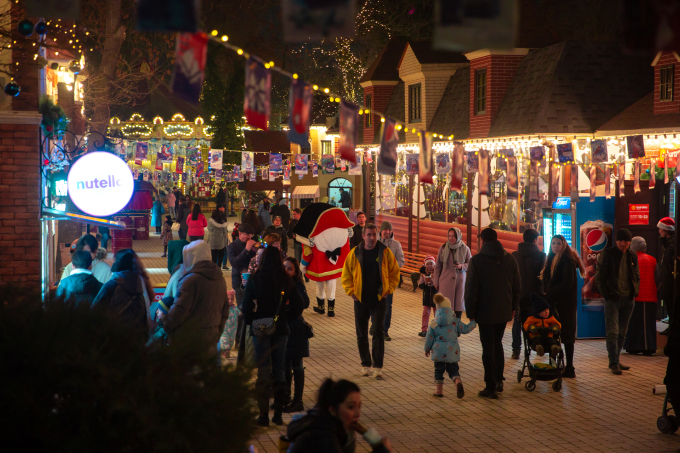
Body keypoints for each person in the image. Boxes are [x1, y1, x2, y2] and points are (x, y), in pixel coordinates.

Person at [242, 246, 304, 426]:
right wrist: (285, 319)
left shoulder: (256, 278)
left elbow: (246, 306)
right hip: (281, 330)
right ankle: (278, 414)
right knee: (279, 370)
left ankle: (262, 416)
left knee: (263, 372)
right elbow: (299, 305)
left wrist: (252, 320)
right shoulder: (286, 280)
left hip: (261, 328)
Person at [464, 228, 520, 399]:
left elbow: (471, 288)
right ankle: (499, 380)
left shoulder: (477, 261)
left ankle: (491, 385)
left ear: (482, 241)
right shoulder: (509, 259)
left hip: (484, 311)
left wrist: (471, 312)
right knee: (498, 344)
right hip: (503, 311)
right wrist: (513, 307)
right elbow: (517, 285)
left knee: (488, 347)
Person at [341, 223, 400, 380]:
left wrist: (389, 289)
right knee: (361, 333)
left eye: (374, 235)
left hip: (379, 299)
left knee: (378, 331)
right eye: (369, 235)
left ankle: (378, 366)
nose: (372, 238)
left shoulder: (384, 252)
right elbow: (345, 274)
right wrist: (351, 292)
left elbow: (395, 273)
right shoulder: (355, 253)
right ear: (363, 235)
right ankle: (365, 364)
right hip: (360, 298)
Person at [159, 240, 229, 354]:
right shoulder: (219, 279)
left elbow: (179, 310)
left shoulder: (190, 280)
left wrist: (165, 322)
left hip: (188, 343)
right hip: (209, 341)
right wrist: (216, 335)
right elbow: (225, 311)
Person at [287, 379, 393, 453]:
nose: (357, 413)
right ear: (332, 409)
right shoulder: (321, 437)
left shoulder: (331, 428)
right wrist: (381, 450)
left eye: (359, 406)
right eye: (351, 407)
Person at [594, 228, 640, 375]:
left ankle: (617, 359)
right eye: (620, 240)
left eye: (626, 241)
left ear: (629, 242)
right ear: (616, 241)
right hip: (612, 299)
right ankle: (613, 362)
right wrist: (606, 294)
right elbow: (599, 276)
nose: (623, 243)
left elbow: (636, 276)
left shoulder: (632, 255)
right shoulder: (607, 254)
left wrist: (635, 292)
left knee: (622, 332)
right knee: (612, 332)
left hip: (628, 298)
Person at [540, 234, 584, 378]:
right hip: (556, 302)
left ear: (564, 245)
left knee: (566, 335)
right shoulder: (552, 258)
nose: (555, 246)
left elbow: (567, 283)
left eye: (558, 244)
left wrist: (549, 293)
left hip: (564, 304)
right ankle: (557, 365)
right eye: (553, 244)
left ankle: (569, 367)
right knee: (556, 333)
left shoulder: (566, 260)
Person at [425, 293, 476, 398]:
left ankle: (439, 391)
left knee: (438, 371)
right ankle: (457, 381)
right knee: (453, 369)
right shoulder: (455, 321)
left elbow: (429, 338)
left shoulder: (433, 323)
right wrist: (473, 323)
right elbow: (465, 329)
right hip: (452, 351)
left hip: (438, 352)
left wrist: (427, 349)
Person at [92, 249, 154, 334]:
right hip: (138, 331)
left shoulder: (113, 283)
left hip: (118, 331)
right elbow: (146, 307)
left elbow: (95, 309)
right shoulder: (140, 280)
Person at [511, 228, 546, 360]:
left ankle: (516, 350)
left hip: (518, 294)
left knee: (517, 321)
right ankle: (537, 346)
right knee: (536, 320)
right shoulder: (541, 256)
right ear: (535, 240)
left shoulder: (514, 255)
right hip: (535, 295)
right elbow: (543, 278)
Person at [282, 257, 311, 413]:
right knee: (285, 364)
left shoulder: (298, 284)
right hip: (284, 328)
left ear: (295, 271)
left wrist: (290, 301)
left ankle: (297, 400)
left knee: (297, 365)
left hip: (295, 329)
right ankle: (286, 397)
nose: (286, 271)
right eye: (284, 267)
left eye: (290, 268)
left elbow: (304, 303)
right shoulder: (280, 282)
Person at [227, 223, 258, 354]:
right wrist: (246, 249)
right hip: (238, 282)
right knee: (241, 311)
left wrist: (257, 249)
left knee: (252, 309)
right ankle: (238, 340)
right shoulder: (232, 246)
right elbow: (234, 263)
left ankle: (250, 338)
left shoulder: (254, 246)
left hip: (254, 281)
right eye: (247, 235)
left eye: (251, 235)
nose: (249, 237)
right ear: (240, 234)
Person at [625, 236, 658, 355]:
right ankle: (649, 347)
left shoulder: (630, 259)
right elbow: (657, 278)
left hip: (635, 296)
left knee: (634, 323)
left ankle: (634, 347)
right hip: (650, 296)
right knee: (648, 324)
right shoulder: (652, 259)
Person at [433, 227, 471, 319]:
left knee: (458, 307)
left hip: (459, 282)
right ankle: (445, 329)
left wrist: (461, 266)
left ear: (458, 236)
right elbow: (438, 266)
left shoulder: (465, 248)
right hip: (445, 281)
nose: (451, 238)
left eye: (454, 236)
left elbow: (470, 264)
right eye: (449, 236)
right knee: (445, 307)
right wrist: (436, 282)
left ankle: (456, 330)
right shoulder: (443, 248)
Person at [377, 221, 405, 341]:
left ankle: (385, 330)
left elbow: (401, 260)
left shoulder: (396, 244)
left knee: (388, 306)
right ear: (381, 231)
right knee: (375, 304)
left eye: (389, 230)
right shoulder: (375, 243)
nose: (388, 232)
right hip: (376, 279)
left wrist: (392, 267)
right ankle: (375, 327)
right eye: (385, 230)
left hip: (389, 281)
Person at [658, 217, 675, 333]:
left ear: (666, 230)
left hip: (670, 279)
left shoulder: (672, 244)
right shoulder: (667, 243)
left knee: (671, 303)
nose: (659, 231)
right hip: (667, 278)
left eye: (660, 229)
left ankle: (673, 326)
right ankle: (671, 325)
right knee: (669, 302)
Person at [418, 256, 437, 337]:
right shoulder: (423, 275)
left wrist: (434, 282)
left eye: (431, 264)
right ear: (425, 265)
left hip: (435, 297)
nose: (430, 266)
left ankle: (437, 330)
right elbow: (420, 285)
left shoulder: (437, 273)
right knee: (426, 313)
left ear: (434, 265)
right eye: (428, 264)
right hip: (426, 297)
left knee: (437, 314)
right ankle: (424, 330)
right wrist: (425, 283)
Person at [218, 289, 238, 361]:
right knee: (224, 340)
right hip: (224, 328)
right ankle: (225, 351)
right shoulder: (222, 309)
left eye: (231, 299)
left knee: (231, 341)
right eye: (228, 299)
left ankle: (227, 350)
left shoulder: (235, 309)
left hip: (233, 330)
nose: (230, 300)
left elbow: (241, 313)